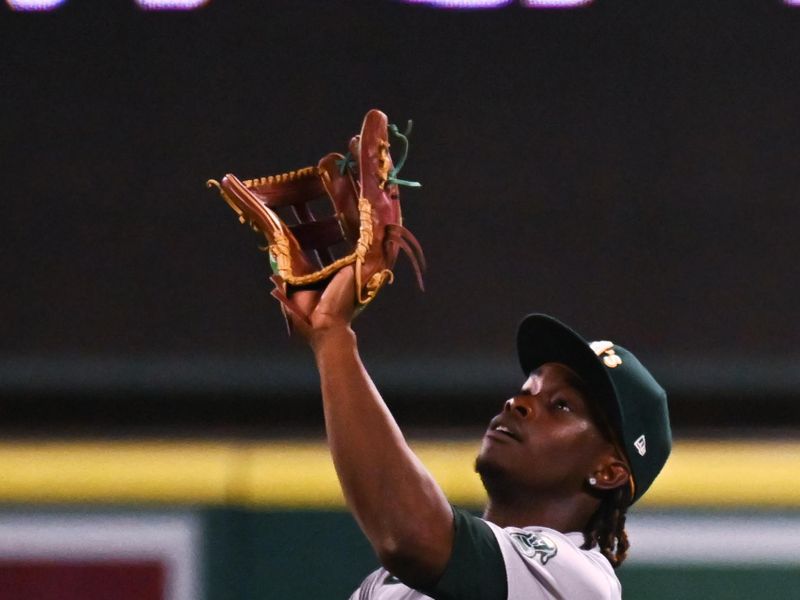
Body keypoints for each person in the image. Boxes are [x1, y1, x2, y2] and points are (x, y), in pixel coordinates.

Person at [291, 267, 671, 600]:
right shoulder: (394, 585)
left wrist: (332, 335)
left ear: (608, 471)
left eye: (561, 405)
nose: (519, 403)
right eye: (527, 389)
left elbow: (411, 537)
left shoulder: (579, 582)